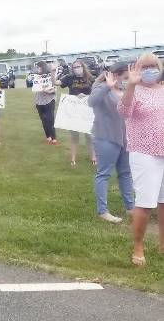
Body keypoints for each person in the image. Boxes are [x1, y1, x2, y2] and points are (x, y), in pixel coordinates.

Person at [118, 54, 164, 266]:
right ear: (137, 69)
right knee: (145, 203)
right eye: (144, 67)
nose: (149, 70)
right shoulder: (135, 90)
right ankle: (138, 245)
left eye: (153, 66)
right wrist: (130, 87)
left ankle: (162, 243)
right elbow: (124, 111)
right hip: (144, 153)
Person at [88, 62, 134, 223]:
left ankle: (131, 207)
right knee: (104, 174)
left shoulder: (123, 89)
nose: (128, 80)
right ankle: (103, 211)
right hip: (106, 137)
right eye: (126, 77)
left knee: (125, 173)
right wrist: (108, 87)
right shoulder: (101, 87)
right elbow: (91, 102)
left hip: (124, 138)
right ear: (117, 74)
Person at [53, 59, 96, 166]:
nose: (77, 69)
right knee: (74, 135)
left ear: (83, 67)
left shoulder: (90, 78)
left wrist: (86, 96)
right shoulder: (69, 78)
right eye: (75, 67)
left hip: (87, 109)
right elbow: (55, 83)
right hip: (73, 109)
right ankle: (73, 159)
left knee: (89, 135)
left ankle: (94, 157)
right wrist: (53, 72)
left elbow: (96, 92)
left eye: (79, 67)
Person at [33, 61, 58, 145]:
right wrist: (42, 89)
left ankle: (54, 138)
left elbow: (54, 87)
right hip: (39, 101)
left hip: (49, 100)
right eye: (36, 67)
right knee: (43, 119)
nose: (37, 69)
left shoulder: (50, 75)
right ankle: (48, 137)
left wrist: (49, 91)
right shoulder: (36, 77)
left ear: (43, 67)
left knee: (50, 119)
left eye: (38, 67)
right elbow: (35, 87)